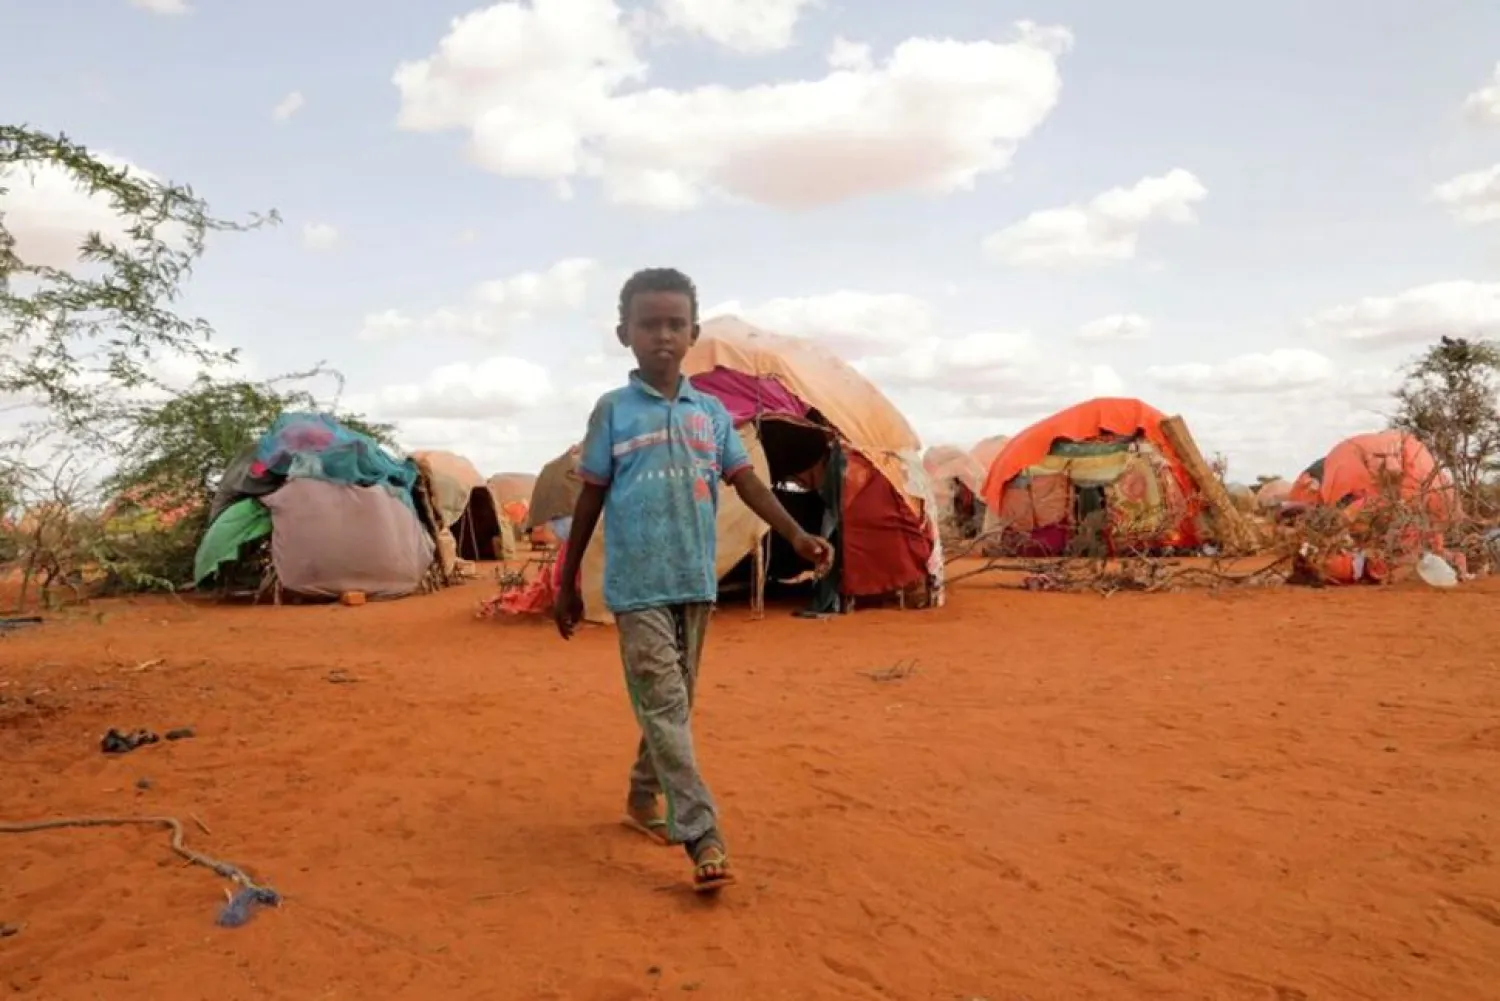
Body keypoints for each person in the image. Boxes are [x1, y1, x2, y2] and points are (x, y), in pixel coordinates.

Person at [554, 267, 833, 893]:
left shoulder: (711, 414)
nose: (662, 335)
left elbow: (748, 482)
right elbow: (590, 499)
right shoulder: (613, 412)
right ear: (624, 333)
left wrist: (795, 534)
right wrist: (567, 581)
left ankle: (640, 796)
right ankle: (701, 831)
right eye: (649, 324)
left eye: (675, 324)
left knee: (674, 705)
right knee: (666, 703)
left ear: (693, 332)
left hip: (693, 581)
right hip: (635, 585)